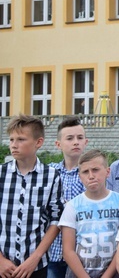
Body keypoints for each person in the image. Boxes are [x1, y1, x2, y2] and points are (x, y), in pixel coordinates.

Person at [0, 115, 64, 278]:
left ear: (38, 142)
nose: (14, 145)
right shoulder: (1, 173)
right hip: (2, 265)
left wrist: (35, 258)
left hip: (36, 266)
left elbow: (56, 220)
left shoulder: (51, 176)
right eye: (12, 139)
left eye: (21, 139)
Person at [60, 150, 119, 278]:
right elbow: (68, 251)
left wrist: (107, 275)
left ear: (107, 172)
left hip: (114, 272)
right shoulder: (72, 206)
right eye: (85, 172)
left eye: (95, 170)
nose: (91, 176)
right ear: (80, 176)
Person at [48, 117, 89, 278]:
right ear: (58, 144)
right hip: (54, 252)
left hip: (83, 253)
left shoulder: (91, 173)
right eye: (70, 138)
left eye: (80, 138)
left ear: (86, 142)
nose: (76, 142)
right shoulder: (50, 172)